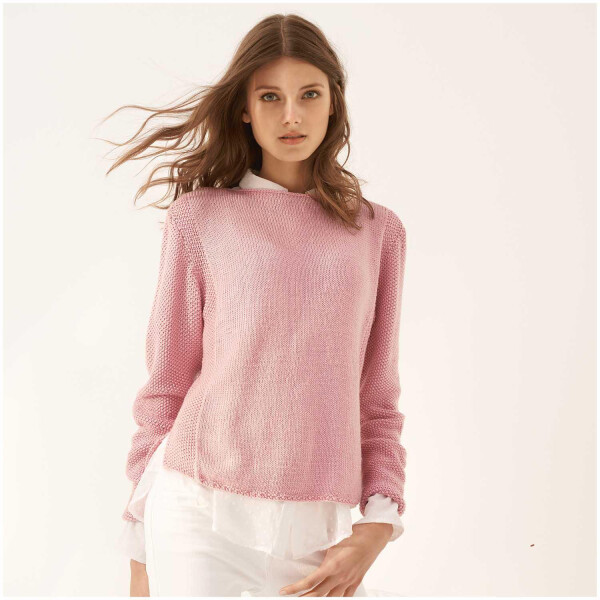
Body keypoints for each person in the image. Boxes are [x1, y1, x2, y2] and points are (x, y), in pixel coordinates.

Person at [104, 12, 408, 597]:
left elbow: (377, 398)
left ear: (333, 102)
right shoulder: (200, 219)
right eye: (270, 96)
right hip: (196, 511)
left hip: (317, 530)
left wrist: (376, 526)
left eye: (308, 94)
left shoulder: (377, 233)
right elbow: (167, 386)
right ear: (244, 107)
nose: (291, 115)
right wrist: (140, 543)